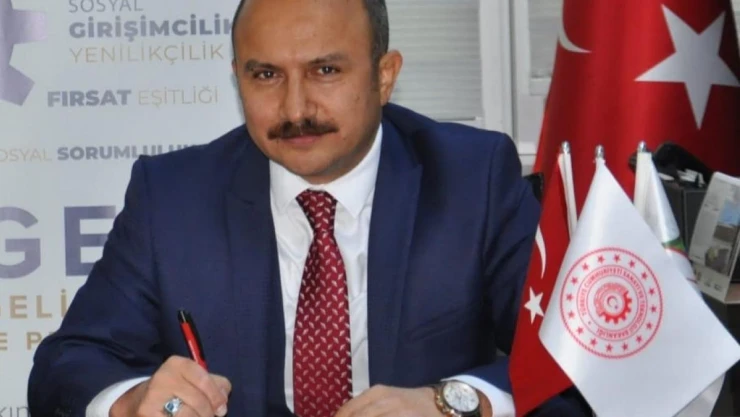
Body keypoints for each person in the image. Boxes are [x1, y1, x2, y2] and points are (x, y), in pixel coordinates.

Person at [27, 0, 591, 416]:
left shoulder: (471, 178)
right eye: (266, 75)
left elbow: (574, 362)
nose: (295, 108)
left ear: (385, 76)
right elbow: (67, 364)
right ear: (238, 78)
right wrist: (130, 401)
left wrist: (452, 403)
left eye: (325, 71)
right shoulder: (173, 196)